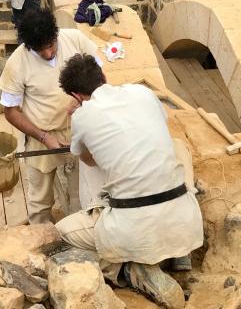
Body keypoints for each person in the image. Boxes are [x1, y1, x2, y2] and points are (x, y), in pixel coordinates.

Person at [55, 54, 204, 309]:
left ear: (77, 96)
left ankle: (129, 271)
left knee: (63, 232)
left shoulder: (82, 115)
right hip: (185, 220)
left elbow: (88, 160)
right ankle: (180, 256)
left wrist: (80, 118)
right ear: (104, 77)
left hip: (133, 230)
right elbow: (157, 128)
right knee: (178, 148)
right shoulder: (142, 93)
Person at [0, 8, 101, 224]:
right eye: (39, 50)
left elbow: (100, 77)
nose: (47, 53)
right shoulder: (16, 63)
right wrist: (44, 137)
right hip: (40, 139)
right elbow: (11, 112)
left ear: (56, 34)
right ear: (28, 45)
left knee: (83, 196)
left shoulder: (75, 40)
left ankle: (77, 242)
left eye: (51, 45)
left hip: (78, 132)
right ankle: (41, 242)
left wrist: (85, 99)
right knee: (40, 203)